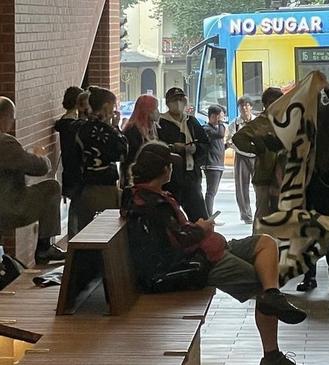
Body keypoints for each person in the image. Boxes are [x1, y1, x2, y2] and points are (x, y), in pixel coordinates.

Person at [121, 142, 306, 365]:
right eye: (169, 164)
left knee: (266, 243)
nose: (172, 168)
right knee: (262, 282)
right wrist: (203, 228)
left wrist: (199, 229)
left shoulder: (147, 195)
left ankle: (273, 296)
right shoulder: (150, 203)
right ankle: (272, 353)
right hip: (198, 261)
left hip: (207, 248)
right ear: (162, 170)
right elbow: (181, 240)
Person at [0, 96, 65, 264]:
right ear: (5, 118)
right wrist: (40, 156)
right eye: (12, 119)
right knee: (52, 187)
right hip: (9, 206)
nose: (12, 124)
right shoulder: (5, 142)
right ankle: (44, 247)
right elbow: (39, 168)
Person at [297, 81, 329, 293]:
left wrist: (327, 88)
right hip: (315, 180)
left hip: (318, 180)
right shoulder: (316, 117)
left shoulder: (322, 116)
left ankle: (324, 278)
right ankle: (327, 278)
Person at [75, 86, 128, 233]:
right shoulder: (108, 131)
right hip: (106, 188)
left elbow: (77, 156)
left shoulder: (81, 129)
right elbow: (123, 153)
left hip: (85, 188)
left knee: (85, 232)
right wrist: (116, 127)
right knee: (106, 232)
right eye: (113, 105)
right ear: (106, 106)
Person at [232, 88, 284, 229]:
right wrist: (257, 149)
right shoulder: (260, 122)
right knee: (263, 214)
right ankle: (258, 245)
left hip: (285, 176)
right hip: (265, 175)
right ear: (266, 104)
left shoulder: (287, 120)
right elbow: (238, 138)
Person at [157, 87, 209, 222]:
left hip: (191, 175)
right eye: (174, 100)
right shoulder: (161, 123)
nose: (178, 103)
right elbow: (156, 148)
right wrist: (173, 148)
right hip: (170, 178)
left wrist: (195, 148)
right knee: (171, 217)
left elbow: (205, 143)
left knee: (199, 216)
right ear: (167, 103)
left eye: (181, 99)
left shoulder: (192, 122)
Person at [54, 87, 87, 238]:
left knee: (76, 206)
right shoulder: (73, 125)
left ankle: (74, 240)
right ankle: (75, 240)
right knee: (77, 208)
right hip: (76, 170)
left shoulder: (64, 123)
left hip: (68, 169)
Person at [228, 96, 257, 224]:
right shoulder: (235, 123)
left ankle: (260, 213)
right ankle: (246, 215)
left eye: (247, 105)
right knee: (241, 187)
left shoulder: (258, 121)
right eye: (241, 106)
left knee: (260, 185)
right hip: (241, 156)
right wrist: (239, 148)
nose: (244, 108)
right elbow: (229, 140)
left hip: (257, 156)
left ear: (251, 106)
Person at [121, 94, 160, 188]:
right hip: (135, 180)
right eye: (155, 108)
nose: (158, 112)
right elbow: (131, 158)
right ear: (146, 111)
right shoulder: (132, 130)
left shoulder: (153, 128)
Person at [203, 105, 227, 219]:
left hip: (219, 164)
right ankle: (209, 217)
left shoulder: (216, 129)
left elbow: (218, 145)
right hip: (211, 165)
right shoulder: (207, 128)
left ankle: (209, 216)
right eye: (218, 116)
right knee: (211, 192)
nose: (219, 118)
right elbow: (220, 134)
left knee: (213, 192)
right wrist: (221, 123)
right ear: (211, 116)